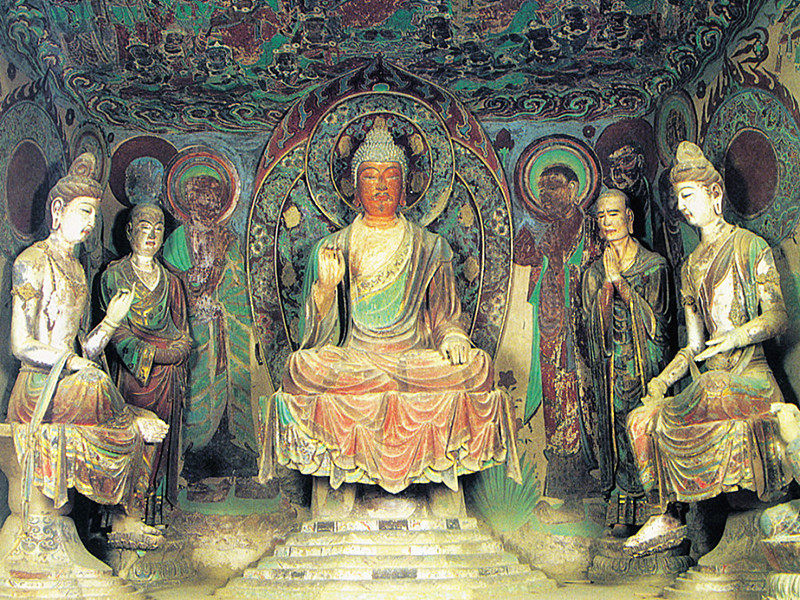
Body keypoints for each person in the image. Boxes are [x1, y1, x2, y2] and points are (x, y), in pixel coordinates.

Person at [259, 120, 520, 495]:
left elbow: (445, 318)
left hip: (413, 360)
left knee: (478, 368)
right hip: (356, 359)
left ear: (406, 187)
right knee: (301, 368)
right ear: (354, 189)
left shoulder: (431, 246)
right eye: (370, 176)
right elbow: (317, 338)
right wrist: (325, 289)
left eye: (391, 176)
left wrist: (454, 337)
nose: (381, 186)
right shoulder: (332, 248)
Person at [624, 141, 790, 556]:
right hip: (710, 384)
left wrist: (738, 335)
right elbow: (695, 345)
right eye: (677, 198)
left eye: (687, 196)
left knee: (712, 389)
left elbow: (778, 316)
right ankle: (664, 514)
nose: (681, 206)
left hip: (750, 379)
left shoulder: (750, 246)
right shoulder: (690, 267)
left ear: (715, 194)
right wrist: (662, 381)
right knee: (641, 419)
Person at [6, 153, 169, 550]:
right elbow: (21, 344)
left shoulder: (78, 270)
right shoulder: (31, 262)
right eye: (84, 211)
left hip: (71, 382)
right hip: (38, 388)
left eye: (95, 214)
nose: (92, 222)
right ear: (57, 211)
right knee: (101, 387)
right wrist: (71, 362)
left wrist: (111, 321)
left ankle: (127, 520)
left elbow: (86, 348)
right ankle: (129, 424)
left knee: (143, 414)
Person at [582, 189, 671, 534]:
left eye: (613, 214)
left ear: (630, 218)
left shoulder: (654, 266)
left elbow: (659, 326)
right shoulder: (593, 273)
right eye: (601, 216)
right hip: (612, 368)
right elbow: (592, 328)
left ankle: (658, 505)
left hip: (645, 365)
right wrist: (606, 284)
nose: (607, 222)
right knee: (617, 430)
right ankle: (622, 503)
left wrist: (621, 282)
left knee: (646, 427)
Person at [514, 163, 599, 503]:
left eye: (553, 186)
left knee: (581, 399)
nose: (545, 195)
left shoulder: (591, 230)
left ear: (574, 189)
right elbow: (533, 266)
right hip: (550, 327)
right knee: (555, 402)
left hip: (581, 331)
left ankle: (588, 477)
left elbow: (595, 276)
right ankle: (561, 483)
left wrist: (560, 263)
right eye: (541, 189)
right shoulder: (548, 231)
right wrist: (535, 256)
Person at [101, 202, 191, 522]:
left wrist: (176, 352)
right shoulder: (114, 276)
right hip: (133, 375)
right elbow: (118, 334)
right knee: (131, 438)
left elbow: (183, 334)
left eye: (158, 229)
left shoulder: (171, 282)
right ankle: (124, 513)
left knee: (161, 444)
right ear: (130, 232)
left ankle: (151, 511)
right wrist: (155, 355)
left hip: (167, 379)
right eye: (144, 227)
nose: (151, 235)